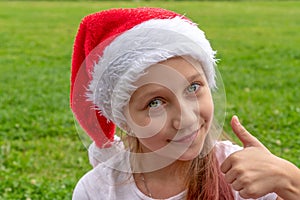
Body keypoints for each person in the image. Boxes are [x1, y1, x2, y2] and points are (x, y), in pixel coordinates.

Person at [70, 7, 300, 200]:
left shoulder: (242, 175)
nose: (188, 118)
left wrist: (289, 180)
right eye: (155, 103)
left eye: (193, 87)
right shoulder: (97, 191)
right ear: (124, 120)